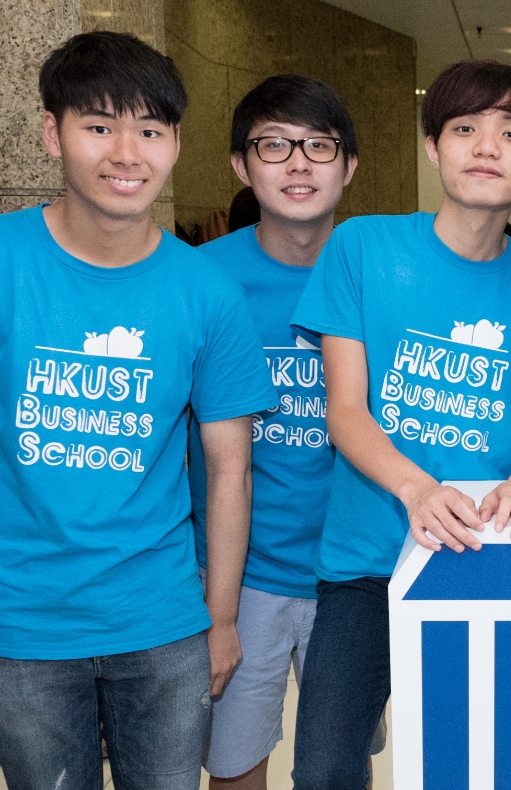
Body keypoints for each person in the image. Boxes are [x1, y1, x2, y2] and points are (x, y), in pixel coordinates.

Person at [0, 31, 278, 790]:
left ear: (174, 145)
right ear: (51, 132)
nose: (126, 153)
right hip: (20, 619)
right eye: (99, 126)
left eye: (151, 131)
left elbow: (230, 469)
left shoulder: (205, 292)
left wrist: (221, 618)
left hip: (162, 621)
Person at [288, 60, 511, 789]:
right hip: (368, 564)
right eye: (465, 128)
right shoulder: (362, 248)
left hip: (486, 560)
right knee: (322, 769)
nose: (485, 146)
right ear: (433, 146)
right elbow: (345, 410)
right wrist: (416, 490)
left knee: (487, 766)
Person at [186, 74, 359, 790]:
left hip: (351, 572)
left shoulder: (376, 273)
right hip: (239, 573)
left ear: (349, 168)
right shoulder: (198, 278)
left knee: (339, 767)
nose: (297, 163)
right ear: (240, 165)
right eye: (274, 145)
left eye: (319, 146)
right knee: (233, 767)